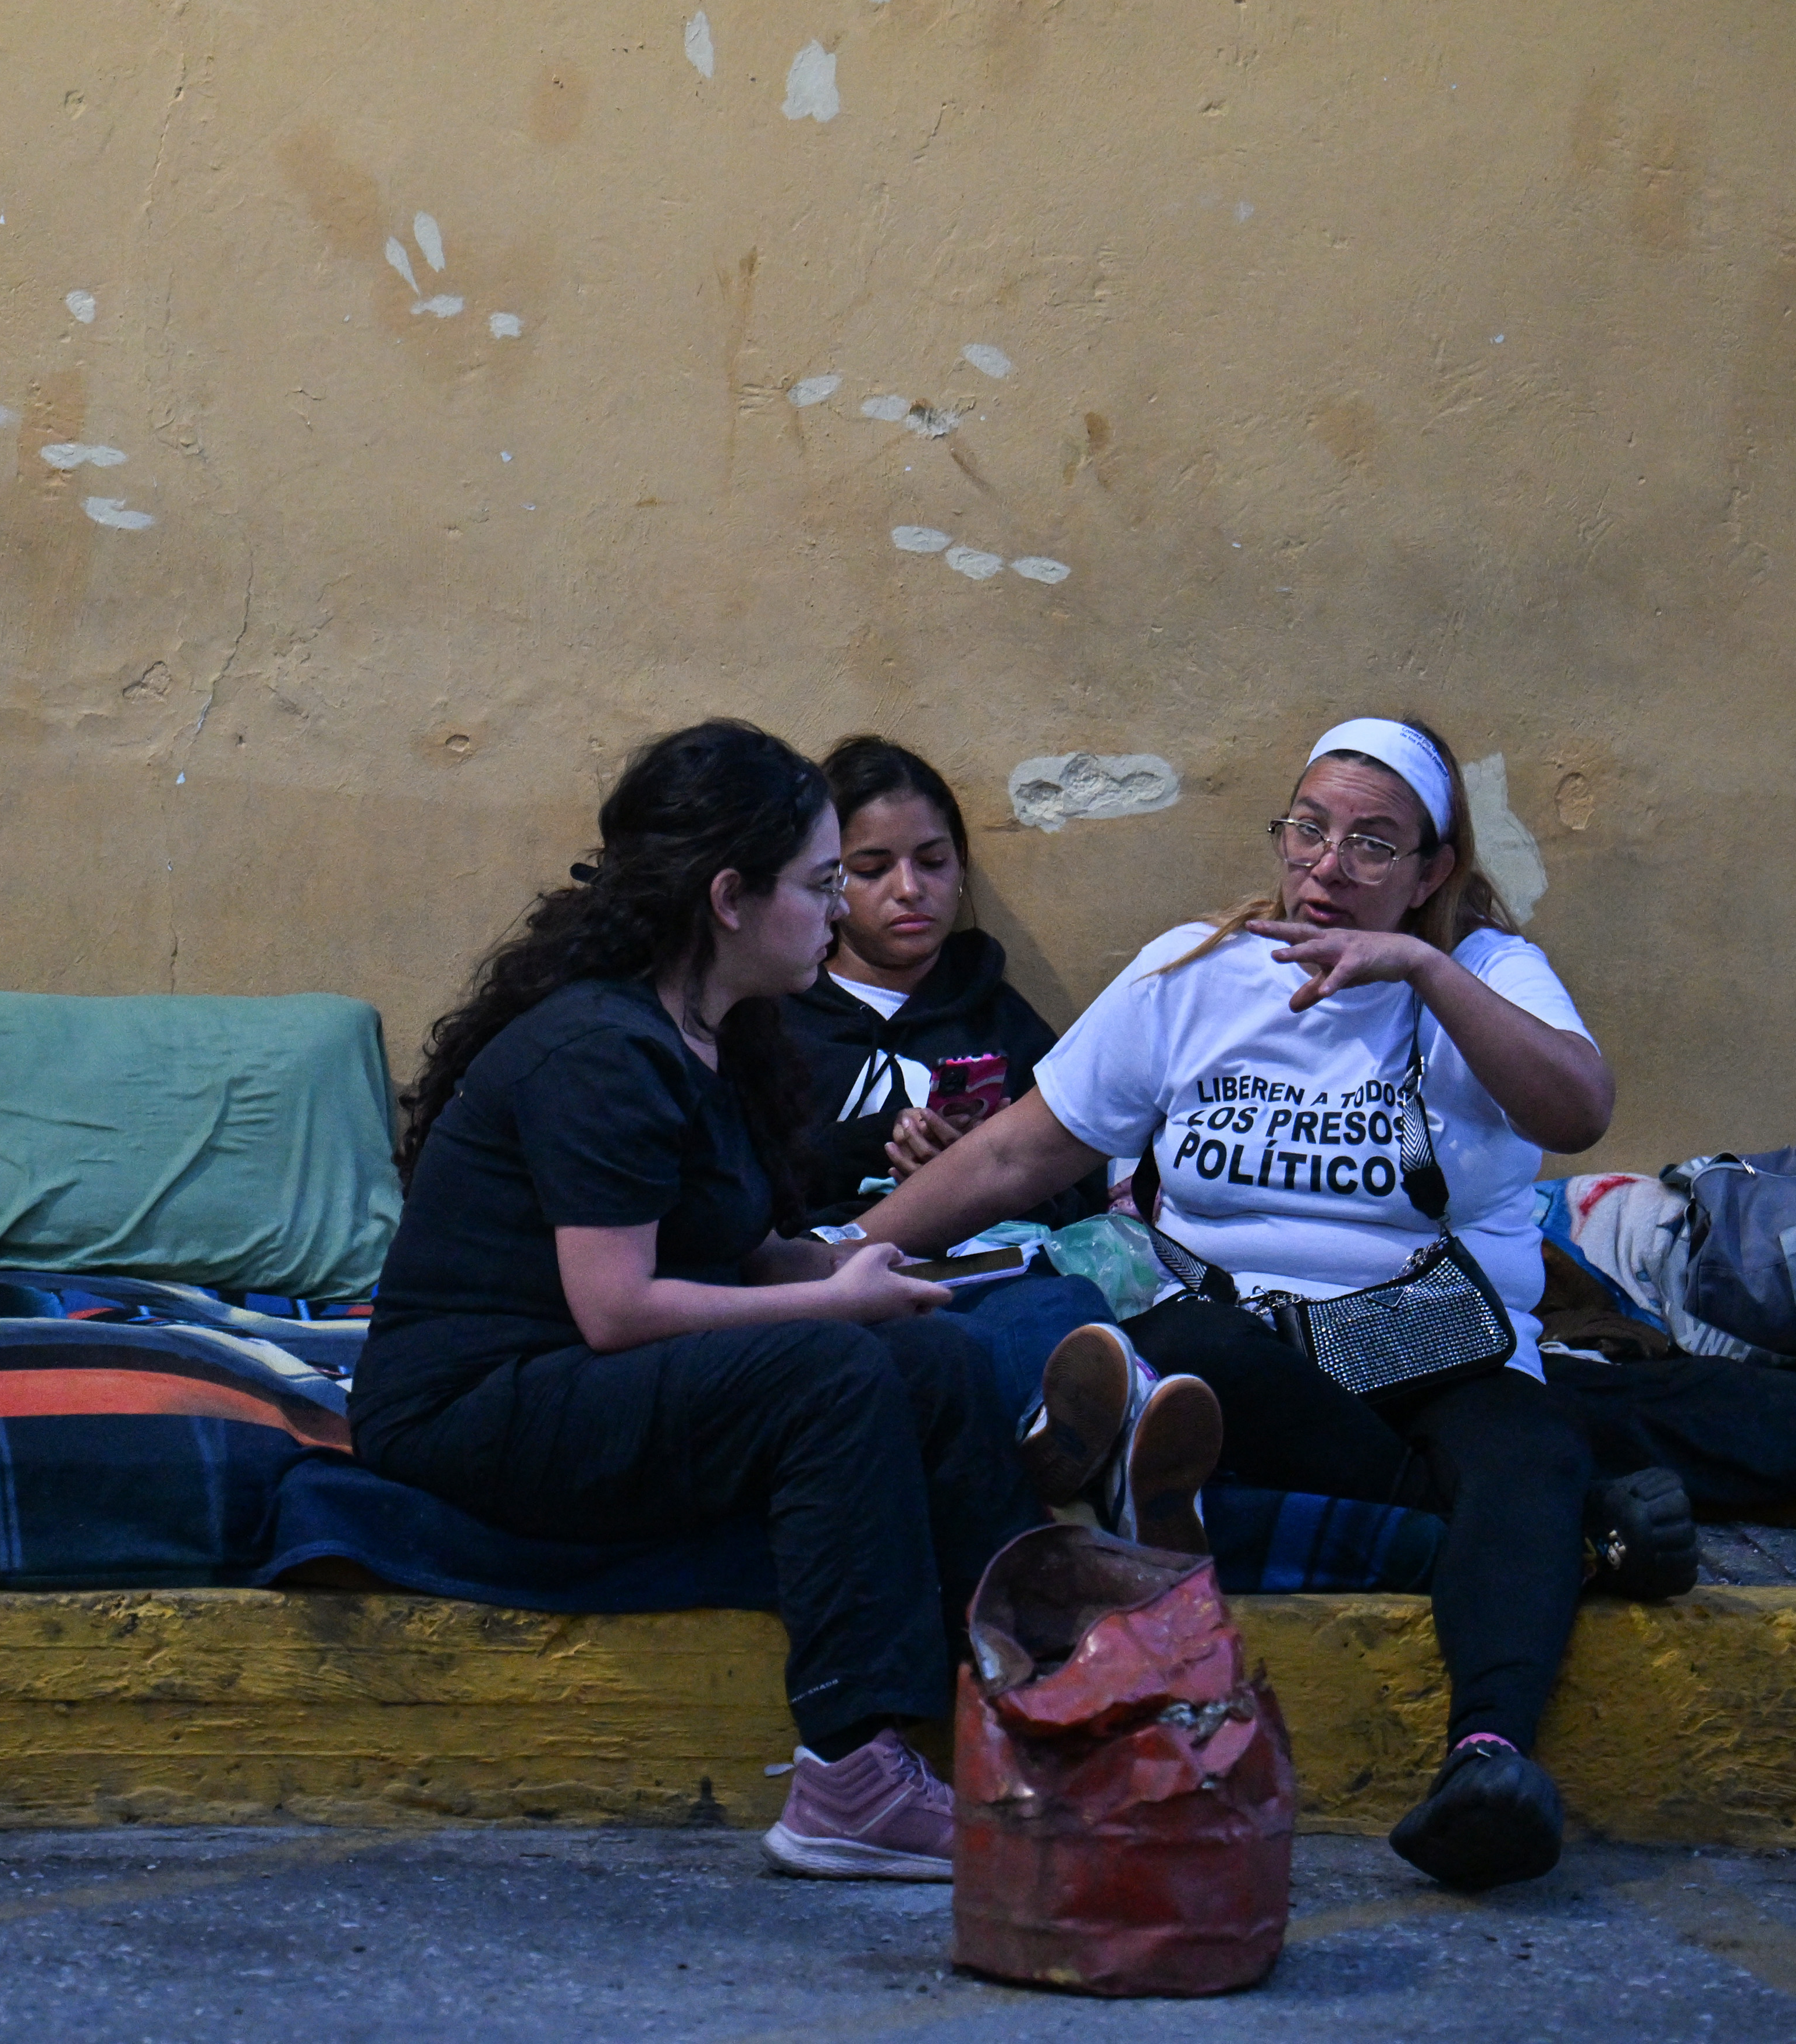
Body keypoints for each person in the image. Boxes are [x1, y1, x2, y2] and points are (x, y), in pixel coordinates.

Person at [350, 721, 1213, 1885]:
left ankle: (1034, 1693)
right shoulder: (599, 1050)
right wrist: (830, 1313)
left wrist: (865, 1278)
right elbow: (613, 1309)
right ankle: (849, 1776)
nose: (836, 909)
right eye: (820, 884)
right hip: (473, 1404)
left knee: (936, 1355)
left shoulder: (722, 1031)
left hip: (595, 1374)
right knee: (832, 1373)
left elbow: (745, 1253)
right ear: (729, 898)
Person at [860, 717, 1694, 1893]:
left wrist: (1423, 970)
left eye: (1371, 843)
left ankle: (1488, 1761)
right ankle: (1532, 1532)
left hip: (1441, 1356)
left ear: (1431, 870)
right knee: (1175, 1344)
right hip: (1255, 1361)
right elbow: (1013, 1155)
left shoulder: (1488, 973)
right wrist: (841, 1255)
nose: (1325, 865)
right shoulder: (1195, 972)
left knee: (1528, 1442)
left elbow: (1576, 1109)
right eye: (1307, 829)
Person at [779, 736, 1105, 1228]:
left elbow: (1083, 1200)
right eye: (872, 869)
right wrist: (875, 1142)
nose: (909, 889)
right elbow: (733, 1189)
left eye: (932, 862)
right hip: (818, 1266)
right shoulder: (776, 1018)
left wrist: (987, 1169)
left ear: (961, 865)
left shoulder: (1002, 1022)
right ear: (827, 880)